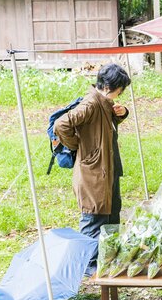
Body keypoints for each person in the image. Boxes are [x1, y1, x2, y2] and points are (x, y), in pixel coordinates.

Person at [54, 63, 131, 264]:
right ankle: (88, 265)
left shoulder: (103, 102)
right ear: (108, 87)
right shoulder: (91, 104)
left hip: (109, 169)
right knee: (94, 217)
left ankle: (108, 258)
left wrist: (121, 114)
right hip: (93, 172)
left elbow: (103, 128)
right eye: (119, 90)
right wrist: (78, 147)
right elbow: (61, 125)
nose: (119, 94)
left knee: (112, 214)